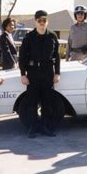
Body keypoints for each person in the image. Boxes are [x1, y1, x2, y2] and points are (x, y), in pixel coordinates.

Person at [19, 10, 61, 138]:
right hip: (33, 72)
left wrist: (57, 73)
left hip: (48, 72)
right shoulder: (29, 37)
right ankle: (33, 127)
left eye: (44, 20)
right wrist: (23, 74)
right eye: (39, 21)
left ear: (47, 21)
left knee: (47, 102)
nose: (42, 23)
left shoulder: (52, 36)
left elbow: (57, 56)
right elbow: (22, 57)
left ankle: (45, 127)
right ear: (35, 21)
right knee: (32, 102)